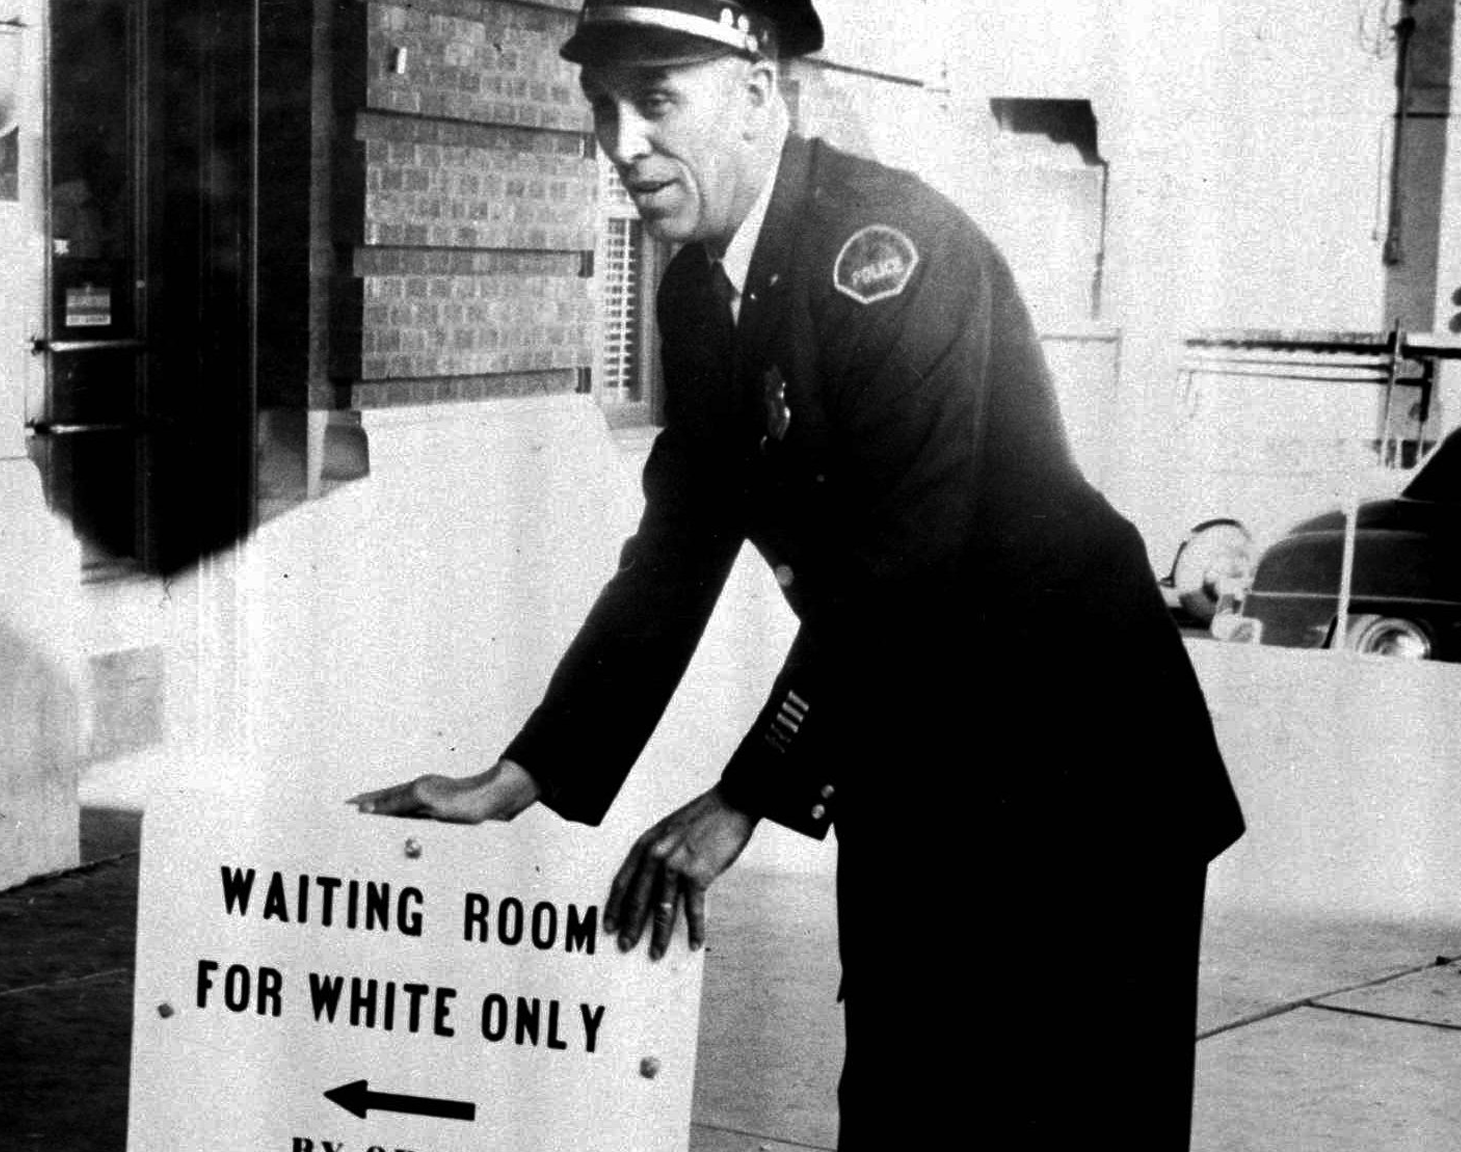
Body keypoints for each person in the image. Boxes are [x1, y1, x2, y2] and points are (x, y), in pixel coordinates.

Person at [350, 1, 1246, 1146]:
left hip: (1081, 777)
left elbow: (902, 560)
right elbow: (672, 553)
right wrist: (522, 772)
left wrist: (742, 795)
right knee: (901, 1110)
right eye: (601, 109)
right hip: (912, 764)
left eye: (657, 99)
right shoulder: (700, 291)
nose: (621, 142)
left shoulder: (886, 253)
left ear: (756, 93)